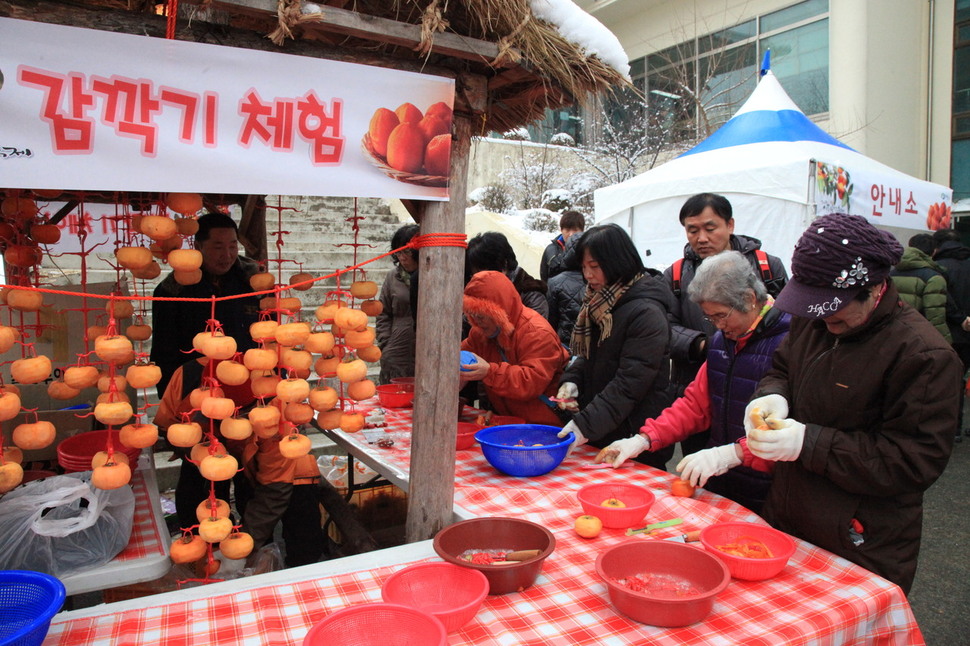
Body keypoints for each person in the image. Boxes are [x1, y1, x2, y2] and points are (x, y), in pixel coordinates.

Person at [744, 213, 962, 594]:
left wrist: (806, 442)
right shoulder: (815, 320)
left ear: (875, 289)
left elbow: (913, 462)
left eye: (835, 312)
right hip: (789, 513)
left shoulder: (924, 356)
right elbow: (783, 366)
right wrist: (772, 396)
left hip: (860, 537)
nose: (825, 320)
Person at [593, 251, 789, 513]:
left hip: (772, 491)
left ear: (750, 299)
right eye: (711, 318)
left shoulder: (788, 343)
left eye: (721, 315)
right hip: (723, 483)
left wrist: (732, 454)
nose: (717, 326)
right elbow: (695, 405)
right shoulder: (722, 343)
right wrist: (644, 439)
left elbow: (790, 428)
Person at [665, 193, 788, 457]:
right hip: (698, 378)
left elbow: (789, 320)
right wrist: (701, 344)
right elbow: (665, 326)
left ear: (730, 225)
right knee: (700, 460)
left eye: (710, 228)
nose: (701, 238)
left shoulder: (767, 266)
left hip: (759, 382)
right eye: (692, 230)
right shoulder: (676, 274)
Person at [555, 224, 676, 469]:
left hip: (634, 435)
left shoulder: (646, 312)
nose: (588, 275)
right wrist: (572, 381)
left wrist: (584, 425)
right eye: (584, 267)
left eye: (595, 267)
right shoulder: (599, 303)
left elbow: (629, 384)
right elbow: (588, 356)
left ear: (617, 262)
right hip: (605, 427)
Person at [150, 212, 261, 397]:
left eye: (233, 246)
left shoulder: (253, 281)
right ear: (198, 246)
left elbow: (271, 338)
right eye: (218, 247)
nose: (227, 255)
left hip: (248, 386)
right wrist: (171, 396)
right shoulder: (173, 289)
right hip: (195, 391)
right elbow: (164, 349)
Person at [153, 357, 255, 533]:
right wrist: (186, 445)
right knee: (201, 506)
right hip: (202, 450)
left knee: (249, 502)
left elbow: (166, 421)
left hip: (244, 450)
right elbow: (167, 421)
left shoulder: (260, 368)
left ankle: (249, 542)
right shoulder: (189, 373)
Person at [460, 270, 568, 425]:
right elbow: (459, 354)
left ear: (498, 312)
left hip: (545, 426)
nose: (477, 322)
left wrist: (489, 372)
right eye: (472, 314)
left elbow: (530, 382)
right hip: (511, 423)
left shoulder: (536, 332)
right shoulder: (480, 333)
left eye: (481, 315)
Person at [466, 232, 549, 319]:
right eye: (474, 275)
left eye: (485, 274)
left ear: (504, 265)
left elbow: (534, 330)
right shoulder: (480, 292)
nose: (478, 280)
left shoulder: (532, 298)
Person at [376, 224, 419, 384]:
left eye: (407, 251)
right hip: (396, 349)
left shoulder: (434, 276)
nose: (402, 257)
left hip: (425, 349)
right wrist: (385, 342)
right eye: (398, 252)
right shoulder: (393, 277)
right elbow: (383, 312)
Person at [890, 233, 951, 342]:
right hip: (918, 337)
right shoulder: (934, 278)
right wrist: (944, 343)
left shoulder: (890, 274)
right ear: (934, 252)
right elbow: (935, 317)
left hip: (892, 334)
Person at [546, 231, 586, 349]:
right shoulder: (598, 279)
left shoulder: (554, 282)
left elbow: (551, 321)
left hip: (563, 344)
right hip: (591, 345)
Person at [540, 210, 585, 281]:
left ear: (582, 230)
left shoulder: (587, 250)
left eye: (575, 230)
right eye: (567, 230)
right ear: (561, 229)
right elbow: (544, 277)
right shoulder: (550, 250)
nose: (571, 234)